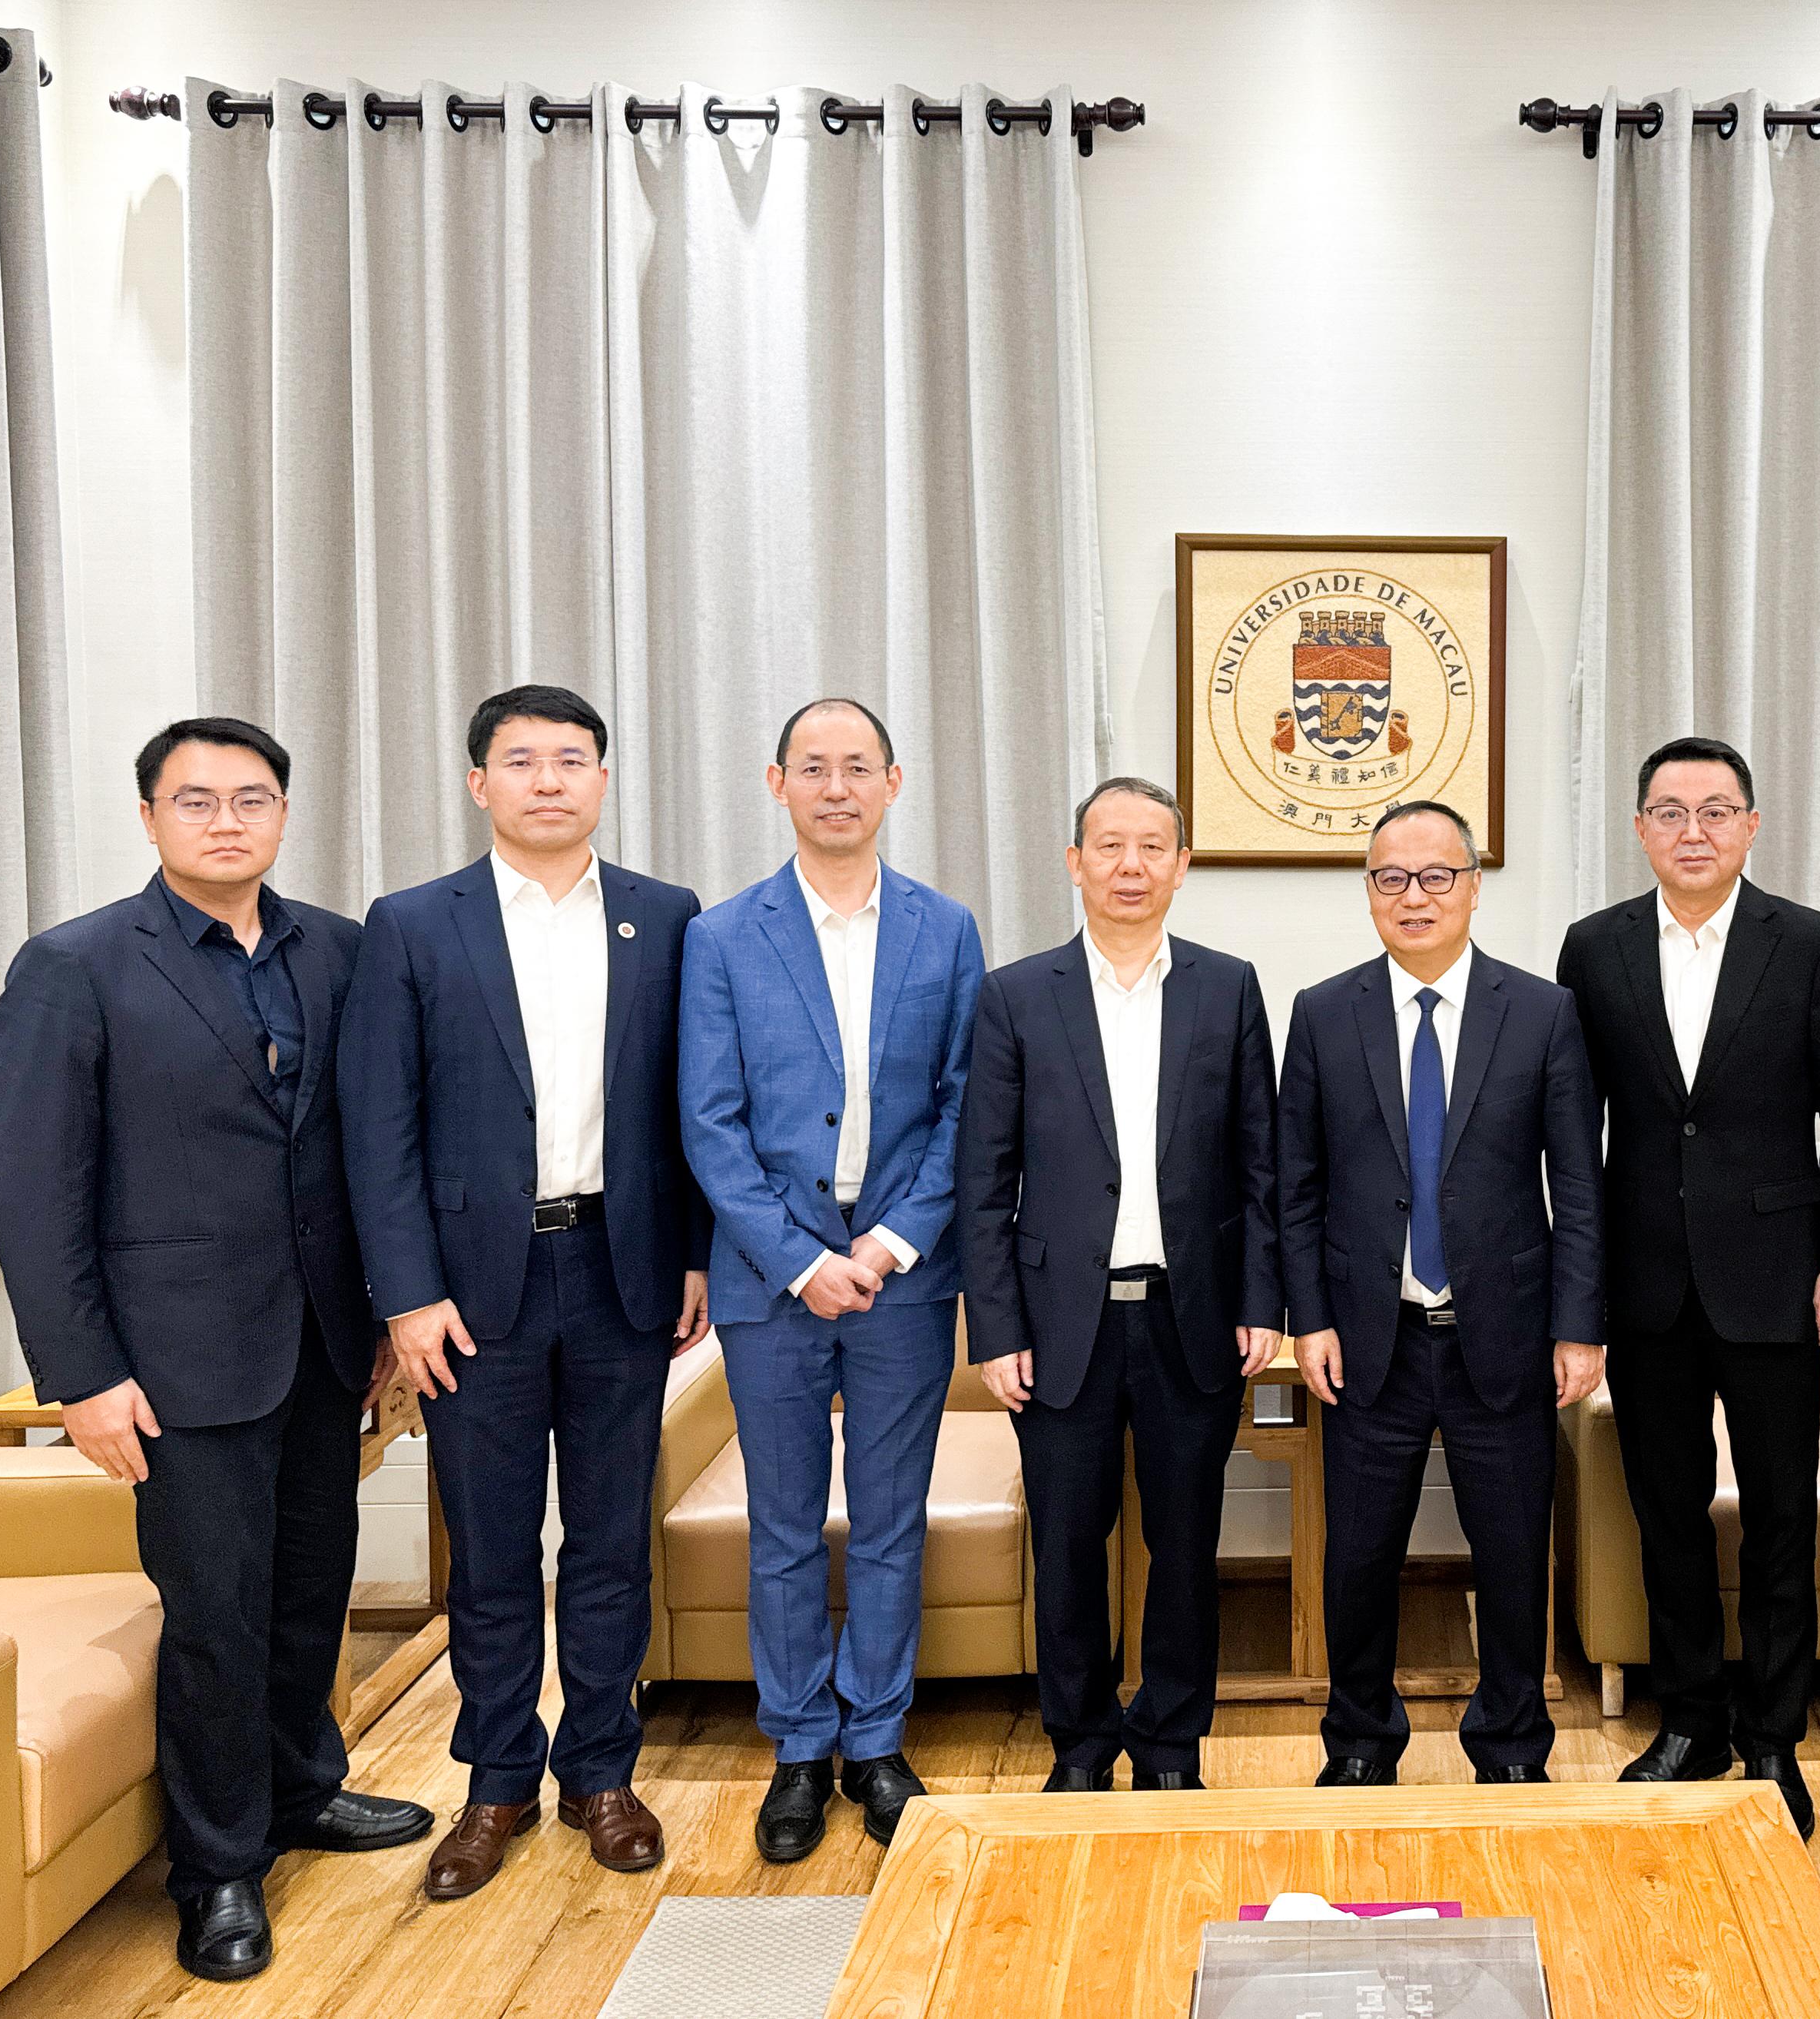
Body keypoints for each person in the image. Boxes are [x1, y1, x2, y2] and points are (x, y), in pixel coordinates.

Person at [0, 718, 433, 1982]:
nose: (226, 820)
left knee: (307, 1591)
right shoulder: (72, 967)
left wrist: (384, 1316)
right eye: (196, 800)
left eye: (251, 797)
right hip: (172, 1361)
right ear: (149, 817)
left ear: (284, 812)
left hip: (322, 1341)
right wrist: (82, 1375)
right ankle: (218, 1865)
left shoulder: (340, 951)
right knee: (215, 1614)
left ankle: (302, 1790)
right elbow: (34, 1192)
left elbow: (368, 1151)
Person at [338, 685, 710, 1899]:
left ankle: (602, 1772)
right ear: (478, 784)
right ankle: (496, 1780)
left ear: (602, 779)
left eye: (571, 760)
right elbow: (379, 1128)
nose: (548, 781)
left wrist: (696, 1253)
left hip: (622, 1272)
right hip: (470, 1292)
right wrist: (406, 1296)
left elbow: (691, 1104)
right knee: (492, 1554)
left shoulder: (665, 917)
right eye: (521, 761)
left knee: (610, 1542)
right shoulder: (413, 925)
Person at [1553, 735, 1820, 1838]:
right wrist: (1581, 1288)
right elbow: (1576, 1130)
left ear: (1750, 825)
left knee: (1782, 1520)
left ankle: (1774, 1740)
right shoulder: (1594, 947)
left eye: (1715, 811)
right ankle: (1690, 1721)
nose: (1692, 831)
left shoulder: (1811, 943)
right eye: (1671, 811)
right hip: (1646, 1284)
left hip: (1777, 1281)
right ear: (1640, 828)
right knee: (1668, 1515)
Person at [677, 698, 985, 1858]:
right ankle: (801, 1746)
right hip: (772, 1283)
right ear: (778, 784)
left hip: (904, 1275)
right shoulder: (723, 937)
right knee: (786, 1526)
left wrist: (890, 1244)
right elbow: (709, 1121)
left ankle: (878, 1739)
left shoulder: (945, 929)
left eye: (859, 767)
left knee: (893, 1519)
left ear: (894, 784)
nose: (838, 787)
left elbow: (965, 1104)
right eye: (815, 768)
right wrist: (802, 1260)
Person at [957, 776, 1283, 1792]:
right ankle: (1082, 1745)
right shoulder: (1016, 995)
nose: (1130, 866)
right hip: (1062, 1324)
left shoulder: (1227, 988)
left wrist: (1261, 1301)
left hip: (1195, 1318)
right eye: (1109, 846)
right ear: (1075, 863)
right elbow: (983, 1179)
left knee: (1186, 1546)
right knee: (1068, 1548)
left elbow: (1262, 1166)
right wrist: (996, 1327)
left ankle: (1174, 1746)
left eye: (1152, 847)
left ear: (1182, 866)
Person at [1278, 801, 1606, 1785]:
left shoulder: (1541, 1012)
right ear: (1369, 892)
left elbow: (1577, 1185)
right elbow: (1296, 1186)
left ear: (1472, 886)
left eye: (1436, 876)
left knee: (1511, 1556)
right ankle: (1359, 1744)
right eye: (1391, 878)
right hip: (1367, 1339)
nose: (1413, 896)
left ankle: (1510, 1745)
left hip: (1502, 1334)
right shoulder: (1322, 1012)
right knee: (1358, 1559)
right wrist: (1309, 1320)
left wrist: (1579, 1326)